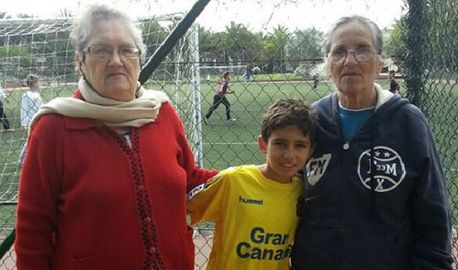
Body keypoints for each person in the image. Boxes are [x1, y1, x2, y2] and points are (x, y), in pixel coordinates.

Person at [14, 4, 217, 270]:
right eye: (101, 50)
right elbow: (33, 228)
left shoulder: (162, 112)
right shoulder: (54, 127)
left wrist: (254, 177)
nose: (116, 60)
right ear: (80, 61)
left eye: (126, 50)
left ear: (139, 57)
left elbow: (190, 179)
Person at [291, 15, 453, 270]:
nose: (350, 60)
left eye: (363, 50)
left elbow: (433, 217)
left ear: (380, 62)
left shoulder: (408, 122)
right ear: (328, 63)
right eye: (339, 52)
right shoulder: (312, 120)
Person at [188, 98, 316, 270]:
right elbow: (184, 213)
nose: (289, 154)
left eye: (300, 145)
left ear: (311, 150)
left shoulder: (304, 190)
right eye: (280, 143)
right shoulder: (233, 181)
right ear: (263, 144)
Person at [18, 74, 44, 165]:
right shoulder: (27, 95)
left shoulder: (37, 94)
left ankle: (29, 158)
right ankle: (21, 160)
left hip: (38, 120)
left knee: (34, 139)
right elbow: (24, 109)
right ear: (33, 83)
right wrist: (24, 123)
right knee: (30, 140)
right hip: (30, 121)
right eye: (38, 81)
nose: (40, 83)